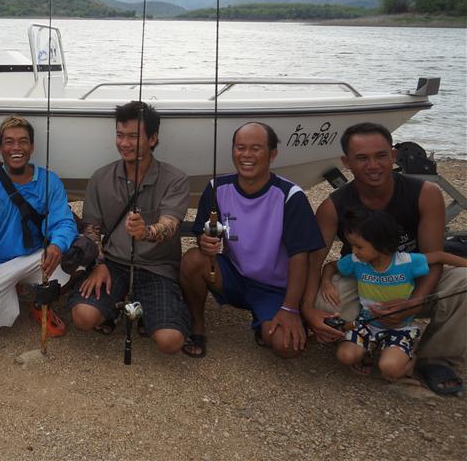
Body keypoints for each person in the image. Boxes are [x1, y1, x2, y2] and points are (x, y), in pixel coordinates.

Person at [307, 122, 466, 395]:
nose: (373, 165)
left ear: (393, 156)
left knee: (463, 283)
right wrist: (307, 311)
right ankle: (370, 339)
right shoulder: (333, 206)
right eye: (361, 158)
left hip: (414, 274)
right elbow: (314, 261)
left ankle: (436, 357)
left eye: (381, 155)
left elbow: (435, 258)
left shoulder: (425, 194)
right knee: (324, 301)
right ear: (346, 162)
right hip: (363, 278)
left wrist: (413, 302)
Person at [179, 121, 323, 359]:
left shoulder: (290, 195)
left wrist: (291, 308)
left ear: (272, 154)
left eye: (256, 148)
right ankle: (197, 326)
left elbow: (301, 257)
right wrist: (204, 241)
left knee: (286, 347)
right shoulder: (216, 188)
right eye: (240, 147)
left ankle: (269, 318)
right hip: (234, 275)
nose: (246, 155)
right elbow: (202, 232)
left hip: (274, 288)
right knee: (192, 260)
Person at [68, 101, 190, 355]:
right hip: (112, 263)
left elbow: (170, 225)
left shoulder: (175, 179)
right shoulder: (101, 177)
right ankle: (113, 308)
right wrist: (99, 263)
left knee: (170, 341)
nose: (124, 143)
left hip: (157, 268)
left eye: (133, 136)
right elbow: (92, 230)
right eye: (120, 135)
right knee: (83, 317)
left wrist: (146, 232)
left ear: (153, 138)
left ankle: (148, 311)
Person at [0, 116, 78, 335]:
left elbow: (64, 222)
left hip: (36, 258)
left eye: (23, 141)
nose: (16, 148)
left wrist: (57, 245)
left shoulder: (50, 180)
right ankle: (11, 287)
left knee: (78, 258)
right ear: (1, 147)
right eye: (9, 141)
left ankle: (41, 305)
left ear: (32, 146)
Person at [321, 208, 467, 382]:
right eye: (352, 245)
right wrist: (326, 282)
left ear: (381, 244)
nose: (353, 251)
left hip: (400, 327)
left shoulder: (406, 261)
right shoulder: (356, 261)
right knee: (345, 356)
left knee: (391, 371)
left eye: (359, 246)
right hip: (366, 324)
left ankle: (409, 358)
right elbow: (331, 266)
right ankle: (372, 348)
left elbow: (440, 256)